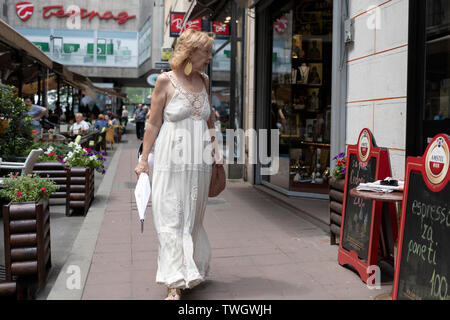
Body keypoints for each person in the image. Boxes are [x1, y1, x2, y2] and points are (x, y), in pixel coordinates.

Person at [134, 28, 216, 300]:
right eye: (207, 52)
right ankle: (173, 282)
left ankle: (190, 272)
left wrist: (217, 156)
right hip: (171, 163)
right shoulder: (165, 81)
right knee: (170, 219)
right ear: (191, 52)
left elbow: (210, 122)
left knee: (193, 219)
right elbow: (153, 122)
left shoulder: (204, 81)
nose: (210, 58)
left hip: (199, 166)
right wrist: (144, 159)